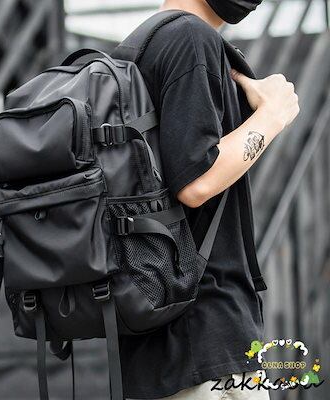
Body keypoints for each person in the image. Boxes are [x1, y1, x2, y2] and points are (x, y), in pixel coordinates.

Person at [119, 1, 300, 399]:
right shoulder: (190, 38)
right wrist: (273, 115)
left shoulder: (136, 48)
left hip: (159, 343)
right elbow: (196, 181)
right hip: (207, 342)